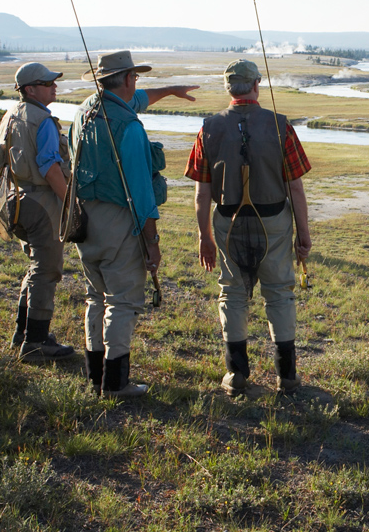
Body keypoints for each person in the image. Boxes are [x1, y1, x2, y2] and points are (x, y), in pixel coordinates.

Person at [71, 50, 198, 397]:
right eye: (135, 78)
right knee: (123, 301)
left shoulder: (84, 112)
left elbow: (138, 100)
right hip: (118, 222)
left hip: (84, 219)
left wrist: (171, 90)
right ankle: (115, 384)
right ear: (127, 79)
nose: (137, 84)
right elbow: (142, 194)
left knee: (95, 297)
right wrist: (151, 243)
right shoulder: (128, 128)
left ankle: (95, 376)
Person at [186, 59, 312, 396]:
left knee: (233, 293)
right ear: (256, 85)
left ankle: (236, 374)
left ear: (229, 88)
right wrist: (304, 235)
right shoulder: (281, 126)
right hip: (274, 222)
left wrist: (204, 236)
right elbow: (295, 187)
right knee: (280, 293)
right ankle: (287, 377)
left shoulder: (208, 128)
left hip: (227, 221)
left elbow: (201, 191)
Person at [0, 62, 74, 359]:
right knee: (47, 270)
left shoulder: (11, 115)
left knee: (35, 267)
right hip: (42, 203)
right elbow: (50, 168)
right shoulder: (42, 120)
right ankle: (36, 342)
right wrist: (70, 204)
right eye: (47, 82)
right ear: (30, 89)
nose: (55, 86)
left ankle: (23, 332)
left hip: (15, 200)